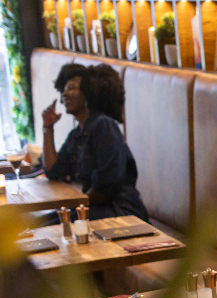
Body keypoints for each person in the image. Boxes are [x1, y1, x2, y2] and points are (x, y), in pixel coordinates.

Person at [41, 63, 148, 222]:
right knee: (37, 223)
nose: (65, 93)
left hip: (120, 212)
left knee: (49, 226)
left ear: (88, 93)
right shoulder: (77, 135)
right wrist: (47, 128)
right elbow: (53, 170)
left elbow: (104, 187)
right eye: (64, 89)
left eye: (71, 88)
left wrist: (76, 206)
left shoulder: (104, 126)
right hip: (93, 208)